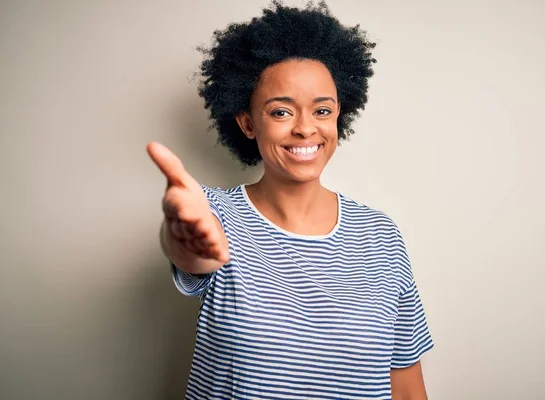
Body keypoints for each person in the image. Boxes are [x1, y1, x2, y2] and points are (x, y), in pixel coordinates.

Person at [147, 1, 434, 399]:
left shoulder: (380, 236)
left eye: (322, 110)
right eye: (281, 112)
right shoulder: (217, 214)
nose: (305, 129)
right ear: (248, 123)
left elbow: (405, 385)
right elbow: (192, 253)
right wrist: (182, 235)